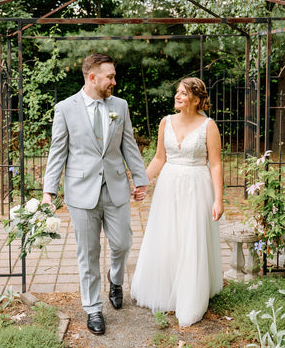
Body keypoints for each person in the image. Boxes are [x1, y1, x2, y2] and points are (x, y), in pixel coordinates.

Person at [42, 53, 148, 335]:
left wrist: (140, 179)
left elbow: (130, 146)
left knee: (123, 243)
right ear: (92, 77)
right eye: (110, 76)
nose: (114, 81)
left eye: (114, 76)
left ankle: (116, 279)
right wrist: (48, 192)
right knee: (88, 253)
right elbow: (57, 151)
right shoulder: (65, 108)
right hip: (80, 192)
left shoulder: (120, 106)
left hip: (116, 188)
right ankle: (93, 308)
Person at [131, 77, 223, 327]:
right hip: (169, 186)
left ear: (195, 99)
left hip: (197, 186)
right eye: (177, 93)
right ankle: (167, 287)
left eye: (183, 94)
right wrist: (141, 181)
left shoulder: (208, 126)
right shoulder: (166, 122)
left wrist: (219, 199)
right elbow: (160, 158)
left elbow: (215, 165)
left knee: (191, 237)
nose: (177, 96)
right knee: (168, 236)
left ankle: (191, 293)